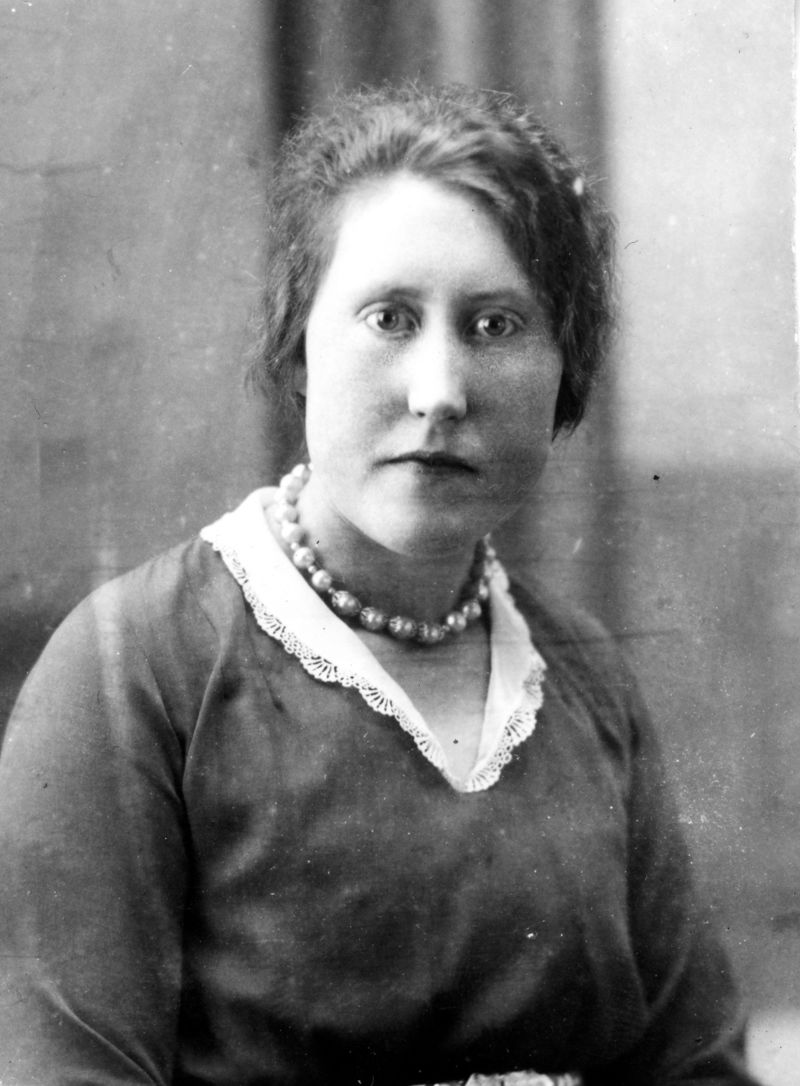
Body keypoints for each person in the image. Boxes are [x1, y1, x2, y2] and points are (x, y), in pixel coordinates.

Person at [0, 84, 759, 1086]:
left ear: (562, 372)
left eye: (495, 325)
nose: (439, 392)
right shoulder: (138, 668)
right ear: (298, 350)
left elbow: (695, 1065)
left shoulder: (582, 679)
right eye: (389, 318)